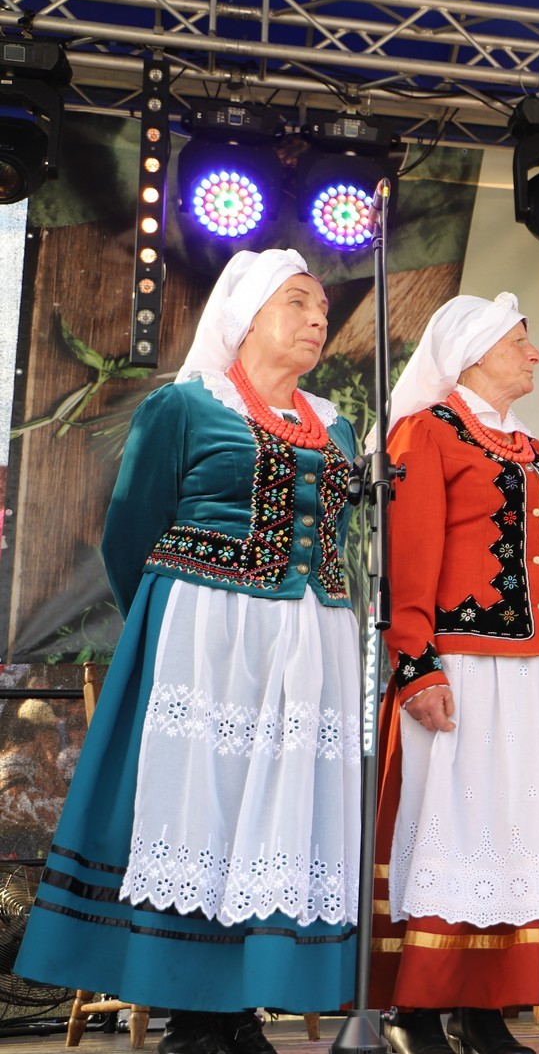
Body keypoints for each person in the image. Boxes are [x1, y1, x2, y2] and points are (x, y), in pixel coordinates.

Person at [16, 249, 362, 1054]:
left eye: (322, 306)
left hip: (308, 642)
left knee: (274, 819)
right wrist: (175, 622)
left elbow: (337, 532)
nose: (318, 318)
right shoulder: (184, 406)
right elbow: (130, 531)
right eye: (298, 301)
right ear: (245, 317)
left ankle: (240, 1011)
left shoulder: (337, 424)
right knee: (202, 810)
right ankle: (194, 1018)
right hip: (206, 640)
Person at [367, 294, 539, 1054]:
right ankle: (415, 1009)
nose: (534, 353)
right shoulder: (427, 433)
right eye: (519, 342)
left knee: (516, 834)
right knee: (454, 829)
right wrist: (417, 666)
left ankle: (482, 1010)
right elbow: (407, 556)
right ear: (472, 354)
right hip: (462, 668)